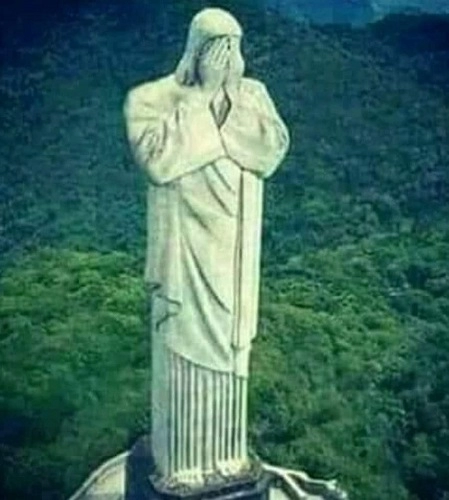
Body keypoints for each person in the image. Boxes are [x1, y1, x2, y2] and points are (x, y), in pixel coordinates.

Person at [124, 7, 289, 486]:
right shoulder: (151, 98)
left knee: (231, 357)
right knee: (182, 351)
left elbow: (271, 151)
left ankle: (228, 456)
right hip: (184, 258)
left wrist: (226, 103)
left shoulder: (253, 95)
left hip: (233, 255)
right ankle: (181, 462)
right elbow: (158, 162)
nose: (227, 57)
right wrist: (201, 100)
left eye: (234, 47)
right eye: (217, 48)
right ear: (194, 49)